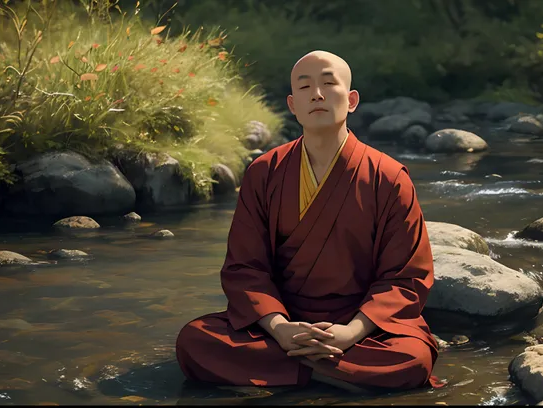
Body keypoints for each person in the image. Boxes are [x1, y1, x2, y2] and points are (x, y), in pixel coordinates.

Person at [175, 50, 441, 391]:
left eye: (329, 83)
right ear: (292, 105)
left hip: (361, 323)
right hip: (284, 320)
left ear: (352, 100)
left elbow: (407, 276)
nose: (317, 93)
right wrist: (280, 327)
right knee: (194, 341)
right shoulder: (264, 172)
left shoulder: (387, 177)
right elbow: (245, 268)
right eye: (305, 88)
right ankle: (331, 372)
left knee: (411, 357)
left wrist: (352, 332)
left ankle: (293, 371)